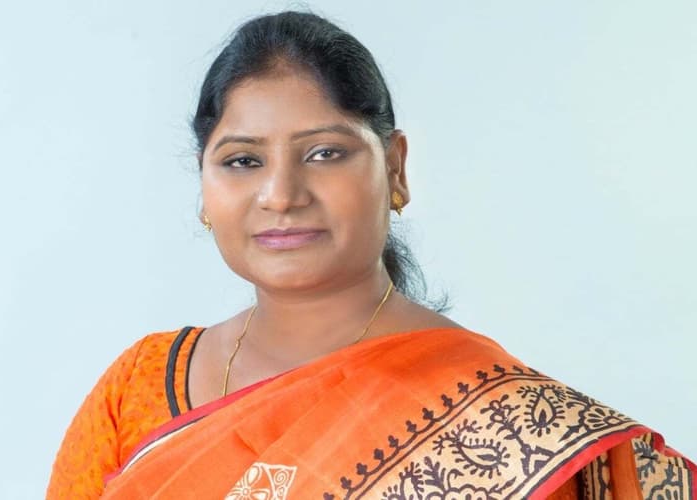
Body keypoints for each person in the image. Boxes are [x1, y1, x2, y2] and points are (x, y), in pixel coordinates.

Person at [47, 11, 695, 499]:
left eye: (325, 153)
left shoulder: (503, 423)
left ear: (396, 168)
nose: (281, 194)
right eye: (242, 161)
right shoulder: (136, 387)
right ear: (204, 187)